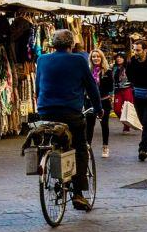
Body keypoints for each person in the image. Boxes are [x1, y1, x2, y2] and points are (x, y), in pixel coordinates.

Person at [36, 29, 102, 211]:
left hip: (46, 112)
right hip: (71, 114)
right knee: (81, 148)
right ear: (71, 44)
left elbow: (37, 87)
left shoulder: (42, 59)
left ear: (52, 44)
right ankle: (78, 193)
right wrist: (99, 109)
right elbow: (91, 87)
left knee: (53, 141)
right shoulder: (79, 60)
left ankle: (51, 170)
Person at [87, 49, 113, 158]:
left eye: (98, 56)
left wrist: (99, 83)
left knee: (104, 125)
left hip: (104, 100)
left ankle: (105, 147)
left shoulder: (107, 71)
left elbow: (110, 87)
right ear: (91, 59)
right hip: (90, 101)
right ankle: (88, 147)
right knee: (89, 125)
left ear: (101, 58)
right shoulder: (88, 71)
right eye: (93, 57)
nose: (96, 58)